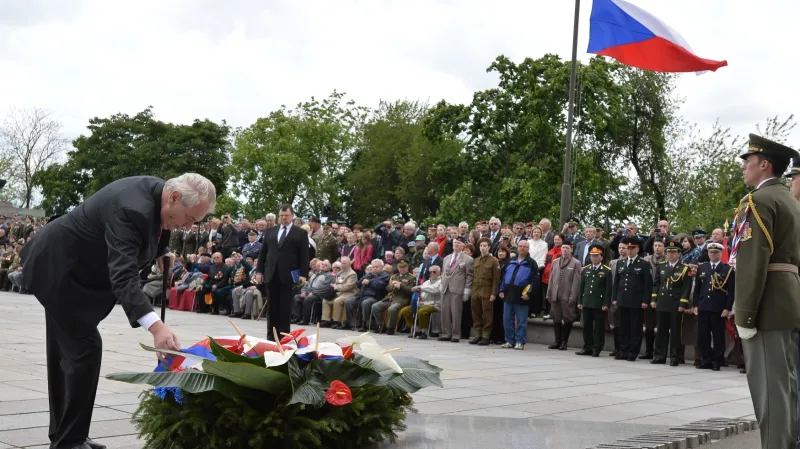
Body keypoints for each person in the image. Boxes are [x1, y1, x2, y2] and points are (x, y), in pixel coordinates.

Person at [20, 174, 216, 449]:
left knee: (67, 353)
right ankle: (69, 442)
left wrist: (162, 250)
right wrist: (156, 328)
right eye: (189, 218)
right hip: (58, 269)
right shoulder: (131, 209)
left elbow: (160, 224)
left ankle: (67, 436)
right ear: (174, 197)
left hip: (72, 269)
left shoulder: (160, 194)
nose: (187, 226)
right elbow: (123, 278)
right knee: (84, 351)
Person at [732, 134, 800, 449]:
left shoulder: (759, 201)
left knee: (770, 391)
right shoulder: (790, 200)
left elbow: (752, 261)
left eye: (748, 160)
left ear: (765, 164)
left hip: (767, 305)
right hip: (788, 300)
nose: (744, 166)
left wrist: (744, 314)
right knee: (785, 385)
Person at [254, 204, 310, 341]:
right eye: (281, 215)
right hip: (271, 273)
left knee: (284, 309)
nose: (284, 218)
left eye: (286, 215)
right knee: (272, 308)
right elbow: (263, 253)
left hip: (289, 275)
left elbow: (304, 256)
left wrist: (303, 274)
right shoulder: (270, 231)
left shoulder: (300, 233)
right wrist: (259, 271)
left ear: (292, 216)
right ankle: (270, 337)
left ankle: (283, 338)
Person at [691, 242, 734, 371]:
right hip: (703, 306)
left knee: (718, 336)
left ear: (720, 253)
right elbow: (697, 289)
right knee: (703, 335)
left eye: (715, 252)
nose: (713, 254)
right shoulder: (702, 267)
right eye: (711, 252)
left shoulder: (727, 269)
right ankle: (706, 359)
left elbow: (731, 291)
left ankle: (717, 360)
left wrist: (727, 308)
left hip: (718, 307)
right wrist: (695, 305)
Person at [650, 239, 692, 367]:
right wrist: (653, 299)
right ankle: (659, 356)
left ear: (679, 254)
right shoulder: (661, 265)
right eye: (668, 252)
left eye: (673, 252)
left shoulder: (684, 268)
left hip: (675, 303)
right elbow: (656, 283)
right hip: (662, 302)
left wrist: (682, 304)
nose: (670, 254)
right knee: (661, 331)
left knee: (675, 332)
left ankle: (675, 357)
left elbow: (686, 288)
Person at [612, 236, 653, 362]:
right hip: (622, 299)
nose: (629, 251)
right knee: (623, 327)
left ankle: (633, 351)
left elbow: (647, 285)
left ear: (637, 248)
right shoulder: (621, 262)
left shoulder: (644, 264)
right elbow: (617, 282)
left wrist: (645, 301)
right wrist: (615, 298)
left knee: (635, 328)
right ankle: (623, 350)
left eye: (632, 248)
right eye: (627, 248)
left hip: (636, 300)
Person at [576, 244, 612, 357]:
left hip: (599, 303)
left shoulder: (606, 271)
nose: (594, 258)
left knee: (599, 328)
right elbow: (581, 287)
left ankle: (597, 348)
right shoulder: (586, 270)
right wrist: (580, 301)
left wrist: (606, 303)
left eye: (596, 256)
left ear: (601, 257)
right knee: (586, 326)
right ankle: (587, 347)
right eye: (592, 256)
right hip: (587, 302)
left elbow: (608, 289)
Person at [470, 238, 500, 346]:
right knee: (475, 312)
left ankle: (486, 336)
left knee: (487, 313)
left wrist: (493, 293)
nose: (482, 248)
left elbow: (496, 279)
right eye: (481, 246)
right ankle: (477, 335)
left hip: (487, 289)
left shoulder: (493, 261)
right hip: (476, 289)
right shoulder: (476, 260)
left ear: (489, 247)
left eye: (485, 246)